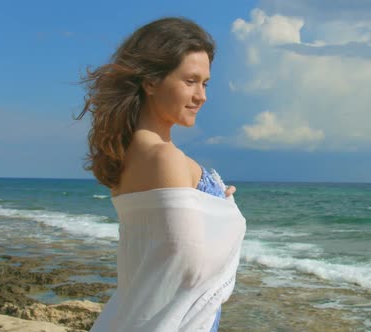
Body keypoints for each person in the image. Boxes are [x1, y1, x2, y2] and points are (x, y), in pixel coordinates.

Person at [76, 17, 247, 331]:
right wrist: (224, 216)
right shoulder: (163, 157)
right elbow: (189, 266)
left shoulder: (129, 152)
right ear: (151, 81)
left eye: (205, 83)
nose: (202, 96)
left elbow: (160, 251)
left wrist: (213, 206)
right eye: (190, 81)